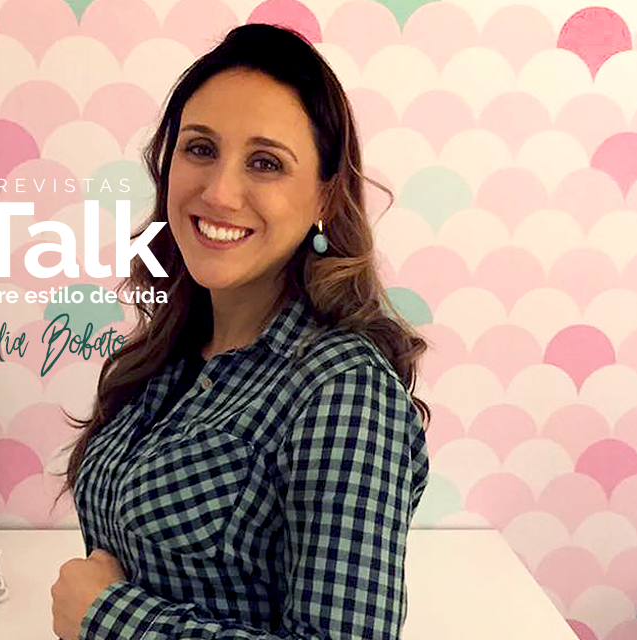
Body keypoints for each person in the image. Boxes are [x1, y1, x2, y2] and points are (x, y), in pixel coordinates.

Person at [48, 22, 432, 640]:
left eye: (265, 163)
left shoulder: (343, 393)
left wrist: (108, 619)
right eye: (200, 149)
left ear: (325, 197)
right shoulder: (171, 352)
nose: (220, 192)